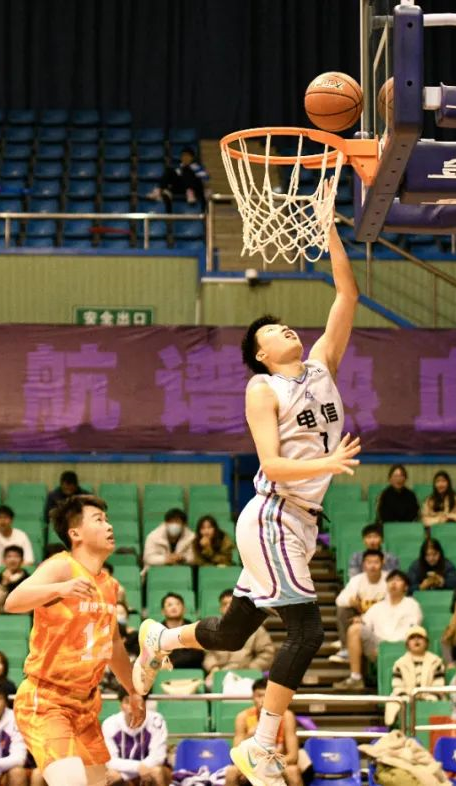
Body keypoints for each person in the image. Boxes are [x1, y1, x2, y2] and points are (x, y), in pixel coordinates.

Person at [135, 226, 360, 785]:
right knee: (307, 633)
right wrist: (328, 462)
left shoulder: (322, 365)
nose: (287, 328)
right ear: (262, 354)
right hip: (271, 514)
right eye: (273, 330)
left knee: (234, 632)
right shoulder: (263, 389)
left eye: (286, 325)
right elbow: (274, 465)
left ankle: (162, 638)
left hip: (301, 524)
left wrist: (329, 230)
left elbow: (346, 294)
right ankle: (261, 745)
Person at [4, 495, 145, 786]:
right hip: (47, 700)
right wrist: (61, 588)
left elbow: (113, 646)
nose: (108, 526)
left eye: (107, 520)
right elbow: (13, 601)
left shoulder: (110, 586)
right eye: (99, 520)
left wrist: (133, 690)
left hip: (86, 706)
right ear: (75, 533)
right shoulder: (62, 567)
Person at [335, 570, 423, 691]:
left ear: (406, 587)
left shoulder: (412, 605)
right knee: (354, 629)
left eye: (398, 580)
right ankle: (356, 678)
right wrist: (359, 620)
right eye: (390, 580)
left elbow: (413, 631)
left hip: (402, 647)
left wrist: (388, 649)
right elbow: (365, 622)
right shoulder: (378, 606)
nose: (393, 583)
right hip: (378, 646)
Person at [225, 679, 302, 786]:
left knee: (293, 771)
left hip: (276, 764)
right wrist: (249, 735)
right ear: (253, 697)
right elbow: (237, 754)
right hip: (251, 765)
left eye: (267, 696)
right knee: (231, 772)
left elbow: (293, 756)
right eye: (259, 696)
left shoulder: (286, 716)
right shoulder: (243, 717)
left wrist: (267, 766)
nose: (263, 700)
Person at [329, 549, 388, 667]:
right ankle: (346, 648)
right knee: (343, 610)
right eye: (369, 562)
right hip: (359, 615)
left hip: (381, 618)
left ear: (382, 563)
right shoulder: (357, 580)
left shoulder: (389, 580)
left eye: (376, 562)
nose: (372, 566)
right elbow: (339, 600)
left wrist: (364, 618)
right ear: (364, 564)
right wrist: (351, 601)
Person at [102, 688, 171, 786]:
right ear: (120, 705)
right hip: (124, 771)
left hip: (148, 770)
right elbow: (110, 760)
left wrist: (125, 775)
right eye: (127, 702)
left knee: (157, 771)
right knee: (111, 774)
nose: (132, 707)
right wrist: (138, 768)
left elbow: (158, 757)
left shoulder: (156, 720)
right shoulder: (109, 724)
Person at [202, 591, 275, 678]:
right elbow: (208, 654)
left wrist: (251, 669)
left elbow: (267, 653)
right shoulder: (213, 629)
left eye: (232, 604)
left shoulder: (255, 629)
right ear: (220, 608)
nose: (228, 607)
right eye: (225, 604)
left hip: (247, 675)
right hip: (220, 673)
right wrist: (213, 667)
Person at [386, 626, 444, 726]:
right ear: (407, 644)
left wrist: (427, 699)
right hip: (405, 699)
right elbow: (397, 687)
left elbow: (438, 686)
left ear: (426, 642)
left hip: (431, 700)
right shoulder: (399, 663)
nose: (416, 640)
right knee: (393, 704)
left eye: (420, 637)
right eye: (412, 638)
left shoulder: (436, 662)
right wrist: (409, 699)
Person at [150, 146, 209, 211]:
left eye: (187, 156)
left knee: (187, 170)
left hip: (195, 189)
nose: (185, 158)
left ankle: (190, 191)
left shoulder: (197, 167)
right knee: (169, 170)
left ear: (192, 157)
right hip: (180, 187)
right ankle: (159, 190)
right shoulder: (178, 167)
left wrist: (192, 172)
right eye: (183, 156)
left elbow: (205, 178)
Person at [155, 594, 203, 670]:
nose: (174, 607)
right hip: (163, 671)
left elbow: (198, 655)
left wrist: (172, 663)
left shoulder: (193, 628)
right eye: (169, 605)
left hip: (190, 670)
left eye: (177, 604)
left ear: (184, 609)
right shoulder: (157, 631)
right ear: (163, 611)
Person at [0, 547, 29, 616]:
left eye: (16, 556)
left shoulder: (29, 581)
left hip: (23, 619)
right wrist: (3, 585)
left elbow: (28, 607)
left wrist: (0, 612)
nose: (12, 560)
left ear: (22, 560)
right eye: (9, 556)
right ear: (4, 560)